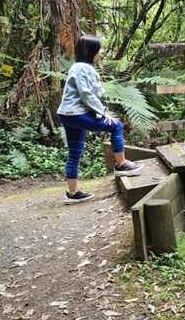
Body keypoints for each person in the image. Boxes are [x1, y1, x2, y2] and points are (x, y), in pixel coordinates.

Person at [57, 35, 143, 204]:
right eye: (99, 49)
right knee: (116, 126)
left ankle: (73, 193)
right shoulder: (83, 68)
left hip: (69, 114)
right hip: (75, 113)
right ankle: (121, 164)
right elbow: (86, 94)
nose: (101, 52)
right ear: (91, 51)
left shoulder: (80, 67)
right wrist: (104, 113)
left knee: (74, 152)